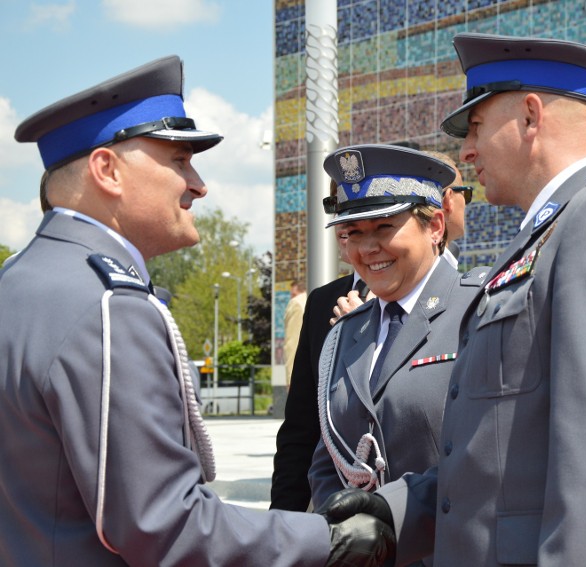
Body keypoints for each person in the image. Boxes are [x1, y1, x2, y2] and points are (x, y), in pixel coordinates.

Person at [319, 33, 586, 566]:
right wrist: (394, 511)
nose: (467, 152)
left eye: (475, 126)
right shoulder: (549, 237)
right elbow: (502, 453)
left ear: (529, 116)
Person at [0, 55, 392, 566]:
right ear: (106, 169)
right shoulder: (108, 308)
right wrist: (329, 539)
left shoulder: (21, 281)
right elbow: (161, 523)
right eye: (179, 161)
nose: (198, 184)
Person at [309, 144, 486, 513]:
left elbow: (489, 452)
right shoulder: (345, 332)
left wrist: (389, 523)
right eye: (353, 232)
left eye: (385, 226)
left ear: (435, 226)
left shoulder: (480, 310)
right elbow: (328, 456)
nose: (369, 247)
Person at [271, 213, 366, 511]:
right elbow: (302, 426)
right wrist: (284, 519)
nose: (345, 221)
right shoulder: (322, 301)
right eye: (339, 207)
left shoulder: (453, 297)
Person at [284, 279, 307, 383]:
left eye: (292, 294)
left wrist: (290, 379)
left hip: (301, 373)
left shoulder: (297, 303)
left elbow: (293, 342)